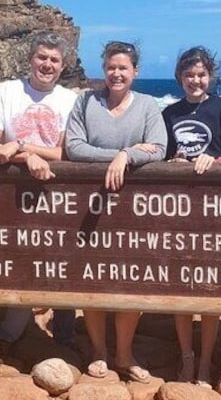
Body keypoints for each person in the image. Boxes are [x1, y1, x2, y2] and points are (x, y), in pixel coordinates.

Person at [65, 40, 167, 382]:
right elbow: (74, 149)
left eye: (123, 68)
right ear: (103, 70)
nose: (116, 73)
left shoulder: (149, 105)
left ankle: (124, 353)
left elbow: (159, 148)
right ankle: (98, 351)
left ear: (135, 72)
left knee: (130, 280)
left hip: (133, 211)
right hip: (89, 205)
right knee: (90, 276)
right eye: (111, 67)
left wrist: (128, 156)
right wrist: (123, 152)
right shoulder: (85, 102)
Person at [0, 30, 78, 366]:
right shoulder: (6, 92)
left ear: (63, 66)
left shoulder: (71, 100)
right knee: (23, 263)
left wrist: (22, 147)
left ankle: (65, 336)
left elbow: (65, 152)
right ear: (30, 58)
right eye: (41, 57)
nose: (46, 65)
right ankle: (8, 336)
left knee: (66, 261)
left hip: (59, 196)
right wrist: (26, 159)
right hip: (13, 198)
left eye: (54, 60)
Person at [161, 46, 221, 387]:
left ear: (210, 77)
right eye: (189, 75)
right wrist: (172, 164)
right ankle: (187, 358)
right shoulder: (168, 113)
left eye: (201, 75)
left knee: (209, 290)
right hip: (180, 211)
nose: (195, 81)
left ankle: (207, 363)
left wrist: (217, 161)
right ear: (180, 78)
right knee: (181, 289)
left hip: (214, 214)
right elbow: (162, 157)